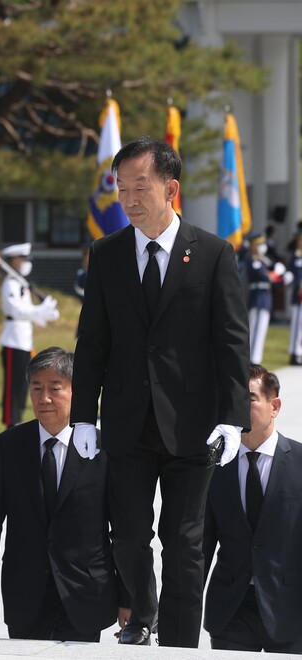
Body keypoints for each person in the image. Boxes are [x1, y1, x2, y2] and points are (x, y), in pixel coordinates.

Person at [72, 136, 251, 647]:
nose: (128, 199)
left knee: (184, 542)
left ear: (170, 188)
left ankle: (177, 644)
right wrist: (84, 414)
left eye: (139, 188)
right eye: (121, 188)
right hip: (128, 420)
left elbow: (231, 341)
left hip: (193, 424)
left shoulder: (214, 253)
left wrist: (232, 416)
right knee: (128, 536)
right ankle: (142, 613)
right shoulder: (105, 255)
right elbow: (93, 342)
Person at [0, 347, 129, 641]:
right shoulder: (9, 446)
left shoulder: (103, 448)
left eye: (55, 389)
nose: (44, 399)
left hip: (86, 594)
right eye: (37, 388)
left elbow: (123, 530)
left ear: (76, 391)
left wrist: (128, 599)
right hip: (25, 595)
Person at [202, 365, 302, 653]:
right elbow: (201, 544)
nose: (238, 406)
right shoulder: (215, 465)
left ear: (275, 406)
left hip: (288, 612)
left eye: (249, 398)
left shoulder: (298, 462)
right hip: (230, 610)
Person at [0, 243, 59, 427]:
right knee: (12, 385)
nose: (25, 262)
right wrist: (39, 310)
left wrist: (44, 314)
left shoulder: (20, 283)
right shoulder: (10, 283)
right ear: (14, 261)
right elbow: (16, 310)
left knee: (22, 385)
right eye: (22, 259)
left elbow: (28, 312)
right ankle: (11, 421)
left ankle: (17, 418)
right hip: (13, 340)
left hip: (24, 340)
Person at [244, 232, 292, 365]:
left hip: (265, 297)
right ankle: (250, 359)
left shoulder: (264, 260)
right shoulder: (251, 259)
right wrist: (277, 274)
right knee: (253, 329)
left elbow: (272, 279)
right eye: (258, 244)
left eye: (261, 244)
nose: (261, 246)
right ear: (252, 245)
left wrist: (283, 279)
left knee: (261, 330)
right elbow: (264, 276)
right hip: (257, 296)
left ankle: (256, 359)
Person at [286, 231, 302, 365]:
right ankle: (294, 353)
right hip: (298, 296)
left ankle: (299, 352)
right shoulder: (294, 257)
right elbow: (291, 275)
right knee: (296, 326)